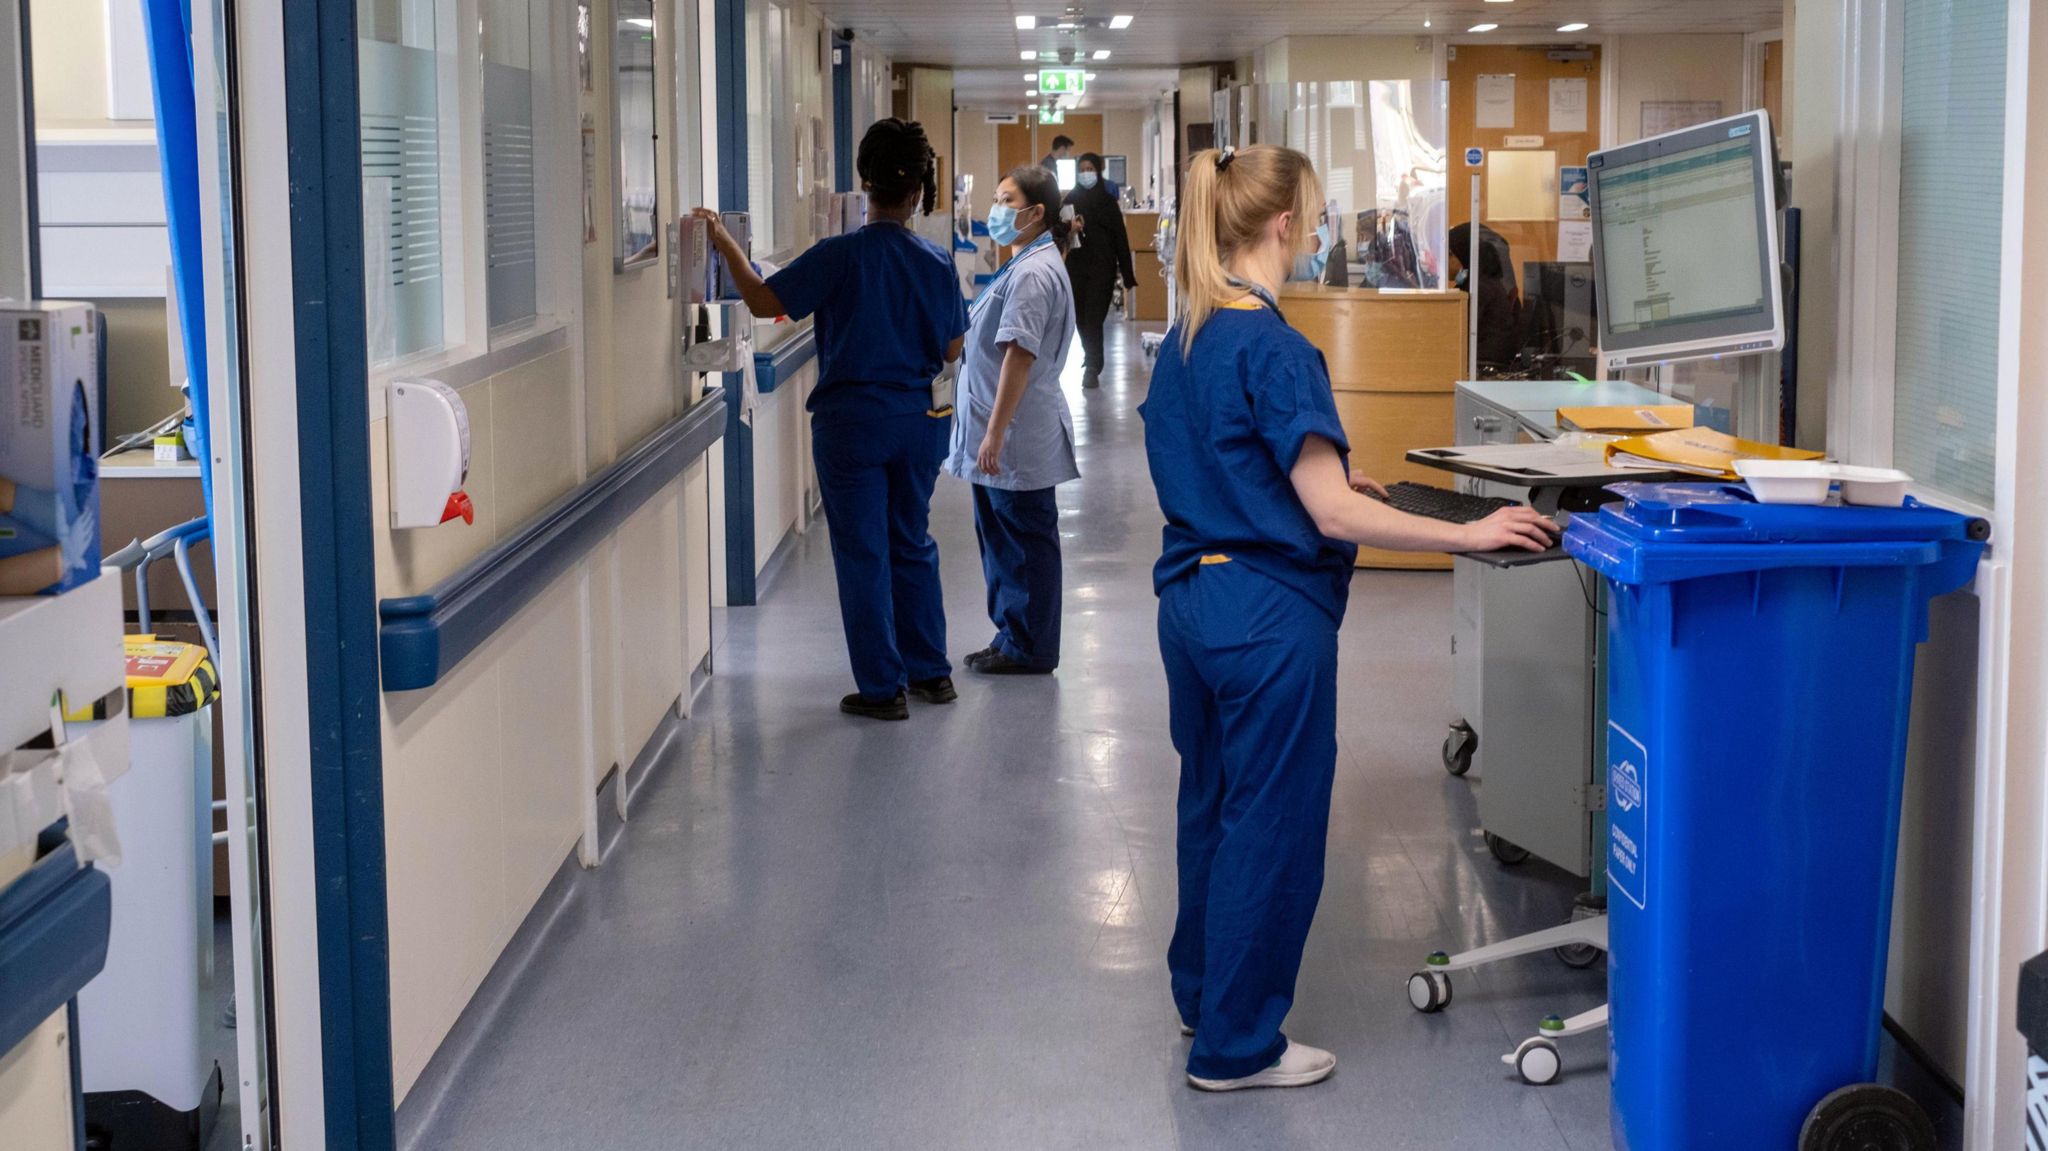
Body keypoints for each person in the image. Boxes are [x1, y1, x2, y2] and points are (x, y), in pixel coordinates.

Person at [1139, 144, 1556, 1092]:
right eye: (1315, 215)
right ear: (1285, 222)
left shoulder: (1189, 336)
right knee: (1269, 824)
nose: (1320, 229)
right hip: (1264, 620)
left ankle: (1203, 994)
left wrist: (1317, 485)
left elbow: (1228, 466)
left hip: (1192, 604)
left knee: (1210, 804)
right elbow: (1331, 514)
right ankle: (1238, 1047)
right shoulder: (1278, 348)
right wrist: (1472, 531)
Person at [693, 119, 968, 722]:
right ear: (919, 192)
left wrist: (724, 243)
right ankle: (932, 673)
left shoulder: (840, 256)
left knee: (864, 552)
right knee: (912, 542)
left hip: (852, 427)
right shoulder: (937, 261)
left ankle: (881, 689)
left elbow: (766, 302)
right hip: (919, 420)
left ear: (863, 183)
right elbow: (951, 350)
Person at [943, 166, 1078, 676]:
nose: (996, 212)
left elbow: (1019, 356)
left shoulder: (1032, 273)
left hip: (1014, 436)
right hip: (1000, 432)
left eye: (1006, 200)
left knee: (1023, 544)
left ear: (1036, 211)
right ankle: (1011, 635)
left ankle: (1032, 647)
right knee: (1002, 541)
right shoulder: (1024, 262)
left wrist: (995, 434)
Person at [1063, 152, 1138, 389]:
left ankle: (1093, 366)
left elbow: (1120, 239)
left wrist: (1127, 275)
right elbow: (1060, 236)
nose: (1086, 173)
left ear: (1098, 171)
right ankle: (1090, 357)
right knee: (1081, 319)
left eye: (1090, 169)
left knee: (1094, 318)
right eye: (1082, 169)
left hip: (1102, 269)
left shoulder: (1108, 203)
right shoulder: (1069, 202)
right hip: (1076, 269)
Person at [1449, 221, 1523, 370]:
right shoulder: (1484, 283)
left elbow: (1457, 333)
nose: (1445, 261)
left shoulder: (1479, 289)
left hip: (1484, 366)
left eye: (1450, 254)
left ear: (1464, 256)